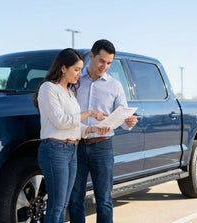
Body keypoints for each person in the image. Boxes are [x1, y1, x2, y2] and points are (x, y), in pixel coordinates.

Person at [33, 48, 110, 223]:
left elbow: (74, 126)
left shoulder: (70, 93)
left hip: (71, 150)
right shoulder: (48, 88)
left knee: (63, 203)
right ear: (62, 68)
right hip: (55, 149)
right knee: (56, 205)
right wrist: (88, 113)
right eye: (76, 70)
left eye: (81, 70)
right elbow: (61, 121)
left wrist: (93, 130)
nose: (79, 74)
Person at [68, 40, 138, 223]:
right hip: (77, 146)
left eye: (109, 63)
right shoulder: (74, 82)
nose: (104, 66)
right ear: (91, 56)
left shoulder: (115, 86)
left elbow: (122, 117)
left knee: (104, 199)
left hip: (103, 147)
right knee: (75, 199)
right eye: (101, 61)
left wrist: (129, 121)